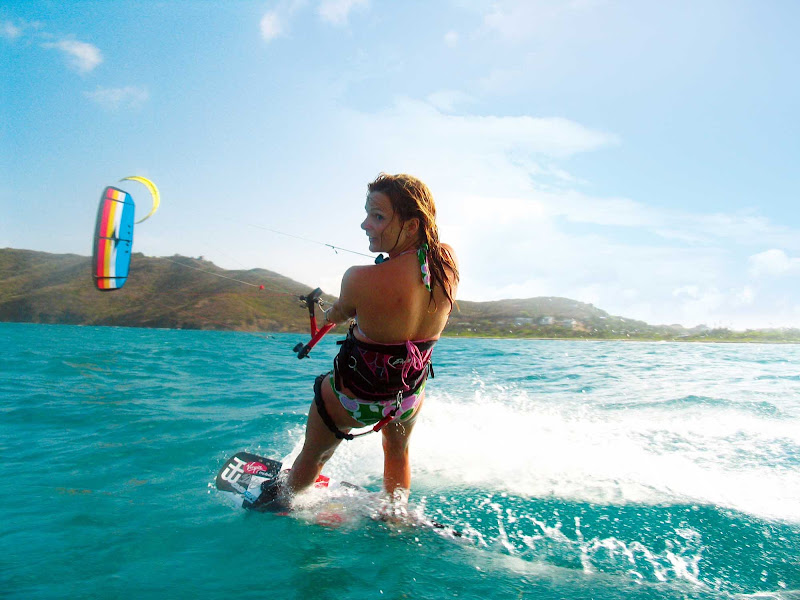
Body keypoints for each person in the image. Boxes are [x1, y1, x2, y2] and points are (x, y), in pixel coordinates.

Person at [257, 173, 459, 511]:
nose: (365, 224)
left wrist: (331, 311)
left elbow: (337, 313)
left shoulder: (358, 278)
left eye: (378, 216)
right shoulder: (447, 267)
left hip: (353, 399)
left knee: (315, 454)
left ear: (410, 226)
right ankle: (394, 513)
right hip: (405, 400)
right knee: (397, 453)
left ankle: (283, 498)